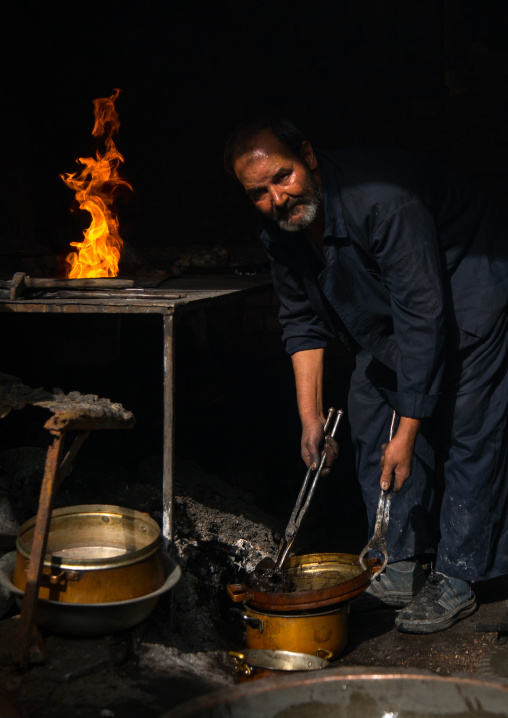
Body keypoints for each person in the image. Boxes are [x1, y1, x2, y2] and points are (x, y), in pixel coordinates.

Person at [224, 116, 508, 634]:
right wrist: (310, 421)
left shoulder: (381, 199)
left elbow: (424, 316)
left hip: (468, 287)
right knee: (370, 405)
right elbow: (302, 321)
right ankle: (399, 560)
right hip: (393, 309)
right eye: (259, 192)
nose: (277, 199)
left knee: (467, 421)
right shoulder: (279, 230)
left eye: (282, 177)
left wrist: (410, 430)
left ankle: (460, 573)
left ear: (308, 156)